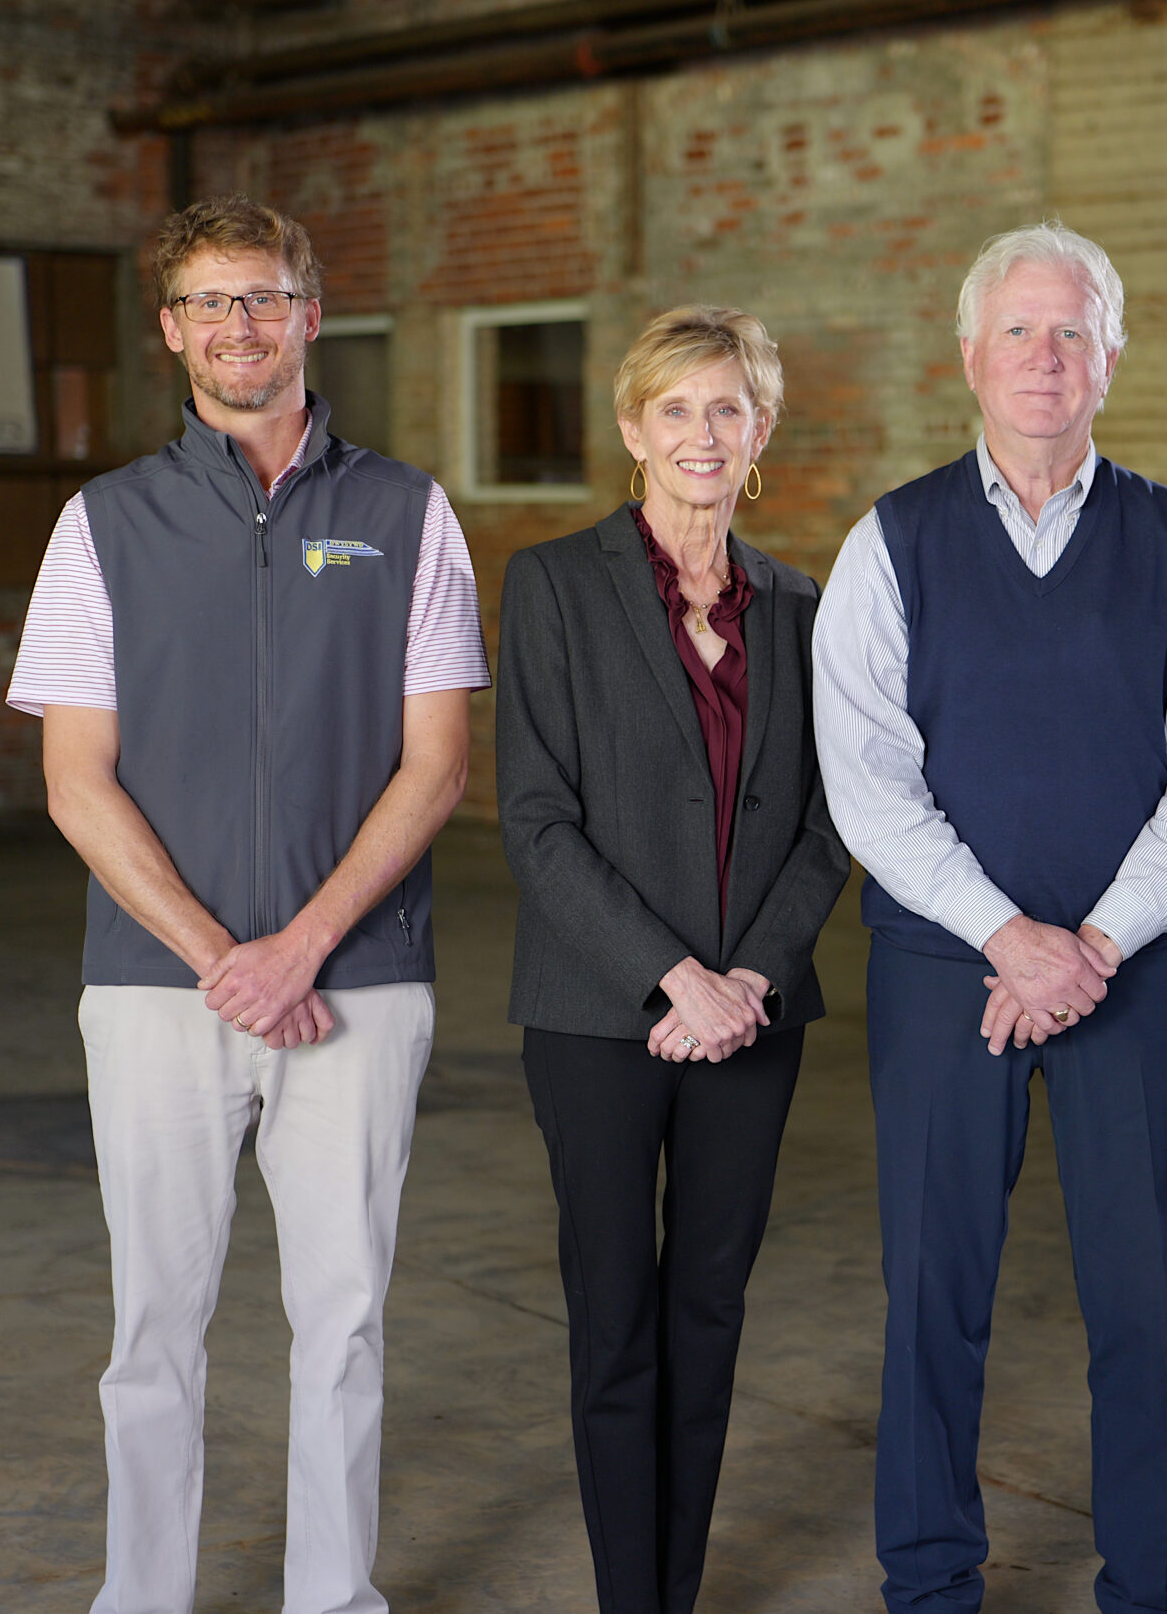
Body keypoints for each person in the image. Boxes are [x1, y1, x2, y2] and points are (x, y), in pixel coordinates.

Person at [5, 193, 489, 1614]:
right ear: (172, 332)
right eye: (211, 304)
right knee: (153, 1327)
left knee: (340, 1323)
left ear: (310, 316)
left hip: (362, 984)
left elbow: (440, 763)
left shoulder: (406, 512)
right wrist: (228, 958)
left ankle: (334, 1601)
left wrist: (305, 948)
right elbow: (74, 781)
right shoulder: (103, 526)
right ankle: (138, 1599)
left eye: (265, 298)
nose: (240, 326)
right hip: (160, 992)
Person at [813, 221, 1167, 1614]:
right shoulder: (890, 544)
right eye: (1018, 330)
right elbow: (867, 782)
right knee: (934, 1299)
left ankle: (1147, 1587)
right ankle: (932, 1583)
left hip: (1137, 976)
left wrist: (1098, 947)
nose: (1045, 358)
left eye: (1072, 332)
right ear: (969, 354)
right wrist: (1012, 939)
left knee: (1144, 1309)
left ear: (1113, 359)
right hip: (950, 975)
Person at [495, 305, 849, 1614]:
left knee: (709, 1317)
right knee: (615, 1322)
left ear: (760, 434)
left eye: (730, 409)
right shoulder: (553, 586)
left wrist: (747, 976)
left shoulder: (806, 607)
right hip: (599, 1019)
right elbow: (534, 817)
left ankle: (676, 1595)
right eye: (679, 409)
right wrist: (670, 974)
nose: (704, 434)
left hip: (756, 1020)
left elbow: (829, 821)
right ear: (633, 427)